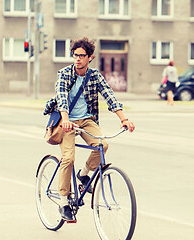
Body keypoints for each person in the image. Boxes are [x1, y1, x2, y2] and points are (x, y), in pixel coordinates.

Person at [44, 37, 135, 221]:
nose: (77, 59)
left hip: (87, 120)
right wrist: (66, 119)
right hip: (66, 120)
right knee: (68, 158)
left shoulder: (94, 76)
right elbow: (61, 97)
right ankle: (63, 201)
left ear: (90, 57)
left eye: (81, 56)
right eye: (75, 55)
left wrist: (124, 119)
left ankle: (84, 174)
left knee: (103, 145)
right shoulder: (64, 74)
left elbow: (109, 96)